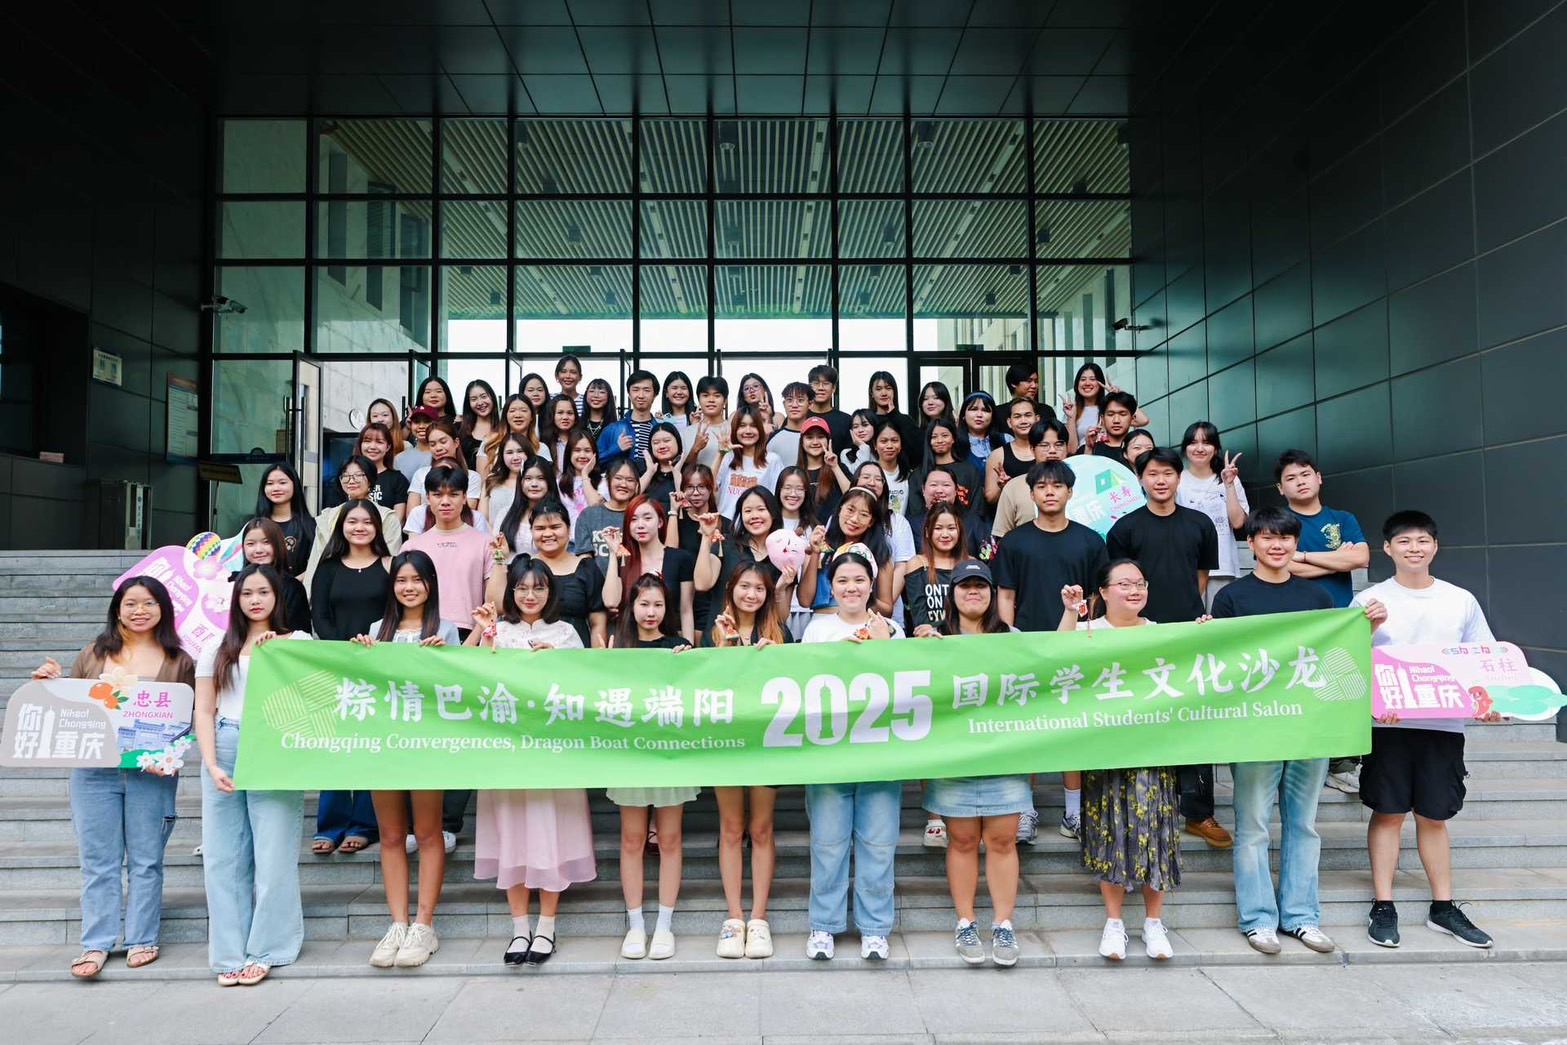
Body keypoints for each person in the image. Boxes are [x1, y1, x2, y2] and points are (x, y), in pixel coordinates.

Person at [1212, 507, 1386, 956]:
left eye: (1285, 538)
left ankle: (1301, 917)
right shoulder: (1231, 598)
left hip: (1310, 728)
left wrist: (1366, 630)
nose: (1277, 545)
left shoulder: (1316, 596)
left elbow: (1335, 657)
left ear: (1295, 544)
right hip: (1255, 729)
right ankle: (1257, 920)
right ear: (1251, 544)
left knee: (1304, 825)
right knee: (1253, 827)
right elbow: (1221, 665)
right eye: (1267, 537)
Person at [31, 576, 194, 979]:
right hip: (94, 772)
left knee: (146, 861)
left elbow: (187, 719)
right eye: (130, 603)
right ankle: (96, 943)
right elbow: (73, 708)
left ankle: (142, 938)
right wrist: (50, 685)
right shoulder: (94, 653)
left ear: (163, 609)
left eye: (149, 603)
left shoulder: (179, 660)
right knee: (98, 862)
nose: (140, 611)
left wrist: (167, 756)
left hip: (150, 775)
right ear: (117, 610)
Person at [1355, 511, 1499, 949]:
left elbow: (1483, 657)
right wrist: (1375, 702)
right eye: (1404, 541)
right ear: (1387, 548)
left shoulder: (1460, 600)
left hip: (1444, 724)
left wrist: (1489, 701)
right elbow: (1348, 660)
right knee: (1388, 811)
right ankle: (1383, 904)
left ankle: (1443, 906)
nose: (1413, 548)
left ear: (1435, 546)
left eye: (1422, 541)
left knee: (1434, 815)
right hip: (1389, 726)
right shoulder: (1370, 600)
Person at [468, 560, 595, 966]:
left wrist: (558, 662)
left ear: (550, 592)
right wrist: (484, 633)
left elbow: (586, 687)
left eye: (539, 588)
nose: (529, 595)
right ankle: (519, 927)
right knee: (512, 834)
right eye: (522, 588)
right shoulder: (500, 631)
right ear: (511, 592)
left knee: (549, 832)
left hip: (552, 752)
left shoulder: (566, 633)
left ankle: (547, 926)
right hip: (507, 751)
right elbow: (469, 678)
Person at [1058, 561, 1181, 961]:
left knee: (1156, 831)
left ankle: (1153, 923)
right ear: (1103, 592)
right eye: (1124, 584)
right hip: (1104, 751)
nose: (1134, 590)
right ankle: (1114, 923)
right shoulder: (1088, 631)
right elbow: (1056, 657)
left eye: (1140, 583)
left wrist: (1206, 631)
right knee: (1108, 831)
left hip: (1153, 750)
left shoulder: (1163, 633)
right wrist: (1070, 612)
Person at [195, 565, 311, 986]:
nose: (255, 600)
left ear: (278, 597)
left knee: (274, 852)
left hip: (273, 746)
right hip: (224, 743)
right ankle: (228, 953)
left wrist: (276, 655)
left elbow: (312, 697)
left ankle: (268, 948)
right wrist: (211, 763)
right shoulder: (215, 646)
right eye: (247, 593)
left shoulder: (298, 642)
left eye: (264, 592)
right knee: (223, 856)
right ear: (236, 599)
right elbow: (203, 709)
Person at [1106, 447, 1226, 848]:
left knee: (1195, 720)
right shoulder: (1125, 528)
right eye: (1153, 474)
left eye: (1168, 473)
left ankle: (1199, 812)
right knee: (1142, 719)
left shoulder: (1200, 523)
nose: (1160, 480)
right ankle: (1143, 806)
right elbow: (1120, 583)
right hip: (1138, 639)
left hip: (1188, 637)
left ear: (1179, 478)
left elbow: (1201, 578)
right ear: (1140, 479)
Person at [351, 550, 460, 968]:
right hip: (384, 744)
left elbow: (459, 688)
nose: (409, 587)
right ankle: (397, 924)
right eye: (401, 580)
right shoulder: (376, 631)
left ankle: (424, 925)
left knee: (429, 834)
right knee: (392, 836)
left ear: (430, 584)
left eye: (416, 580)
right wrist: (361, 654)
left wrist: (447, 659)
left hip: (427, 745)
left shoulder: (446, 630)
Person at [992, 460, 1107, 842]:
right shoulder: (1015, 541)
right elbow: (1005, 595)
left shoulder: (1090, 541)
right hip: (1026, 647)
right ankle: (1024, 809)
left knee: (1073, 729)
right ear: (1031, 494)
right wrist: (1009, 640)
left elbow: (1098, 597)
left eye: (1057, 486)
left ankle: (1073, 812)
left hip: (1075, 648)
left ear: (1070, 492)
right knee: (1026, 729)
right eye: (1041, 486)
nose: (1050, 492)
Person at [922, 558, 1027, 967]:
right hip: (955, 758)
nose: (973, 592)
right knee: (963, 841)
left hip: (1004, 755)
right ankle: (965, 921)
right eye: (964, 586)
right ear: (952, 594)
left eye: (980, 586)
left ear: (992, 593)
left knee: (1003, 841)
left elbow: (1049, 669)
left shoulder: (1013, 639)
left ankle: (1003, 924)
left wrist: (1071, 613)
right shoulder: (936, 638)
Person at [802, 547, 905, 961]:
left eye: (859, 580)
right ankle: (823, 926)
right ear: (832, 585)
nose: (851, 588)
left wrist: (884, 648)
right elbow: (802, 684)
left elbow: (907, 687)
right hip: (829, 754)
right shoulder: (817, 630)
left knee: (879, 844)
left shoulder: (890, 629)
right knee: (828, 843)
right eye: (842, 580)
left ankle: (875, 929)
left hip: (881, 752)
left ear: (871, 584)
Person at [607, 575, 697, 961]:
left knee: (670, 840)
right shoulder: (618, 647)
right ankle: (635, 925)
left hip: (668, 755)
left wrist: (688, 663)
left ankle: (664, 925)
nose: (651, 612)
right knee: (632, 840)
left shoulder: (679, 647)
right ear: (631, 607)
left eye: (658, 605)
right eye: (644, 604)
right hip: (630, 756)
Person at [1276, 448, 1371, 793]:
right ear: (1280, 488)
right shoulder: (1280, 521)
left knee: (1342, 690)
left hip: (1339, 618)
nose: (1300, 482)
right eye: (1291, 478)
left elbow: (1360, 558)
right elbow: (1283, 565)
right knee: (1300, 689)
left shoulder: (1342, 518)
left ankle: (1341, 764)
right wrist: (1334, 559)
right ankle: (1298, 760)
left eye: (1305, 474)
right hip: (1296, 618)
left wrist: (1303, 556)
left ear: (1318, 478)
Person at [707, 562, 786, 959]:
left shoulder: (779, 634)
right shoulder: (713, 630)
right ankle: (734, 918)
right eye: (744, 586)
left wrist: (775, 657)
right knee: (731, 827)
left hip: (767, 743)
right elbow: (706, 683)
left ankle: (758, 919)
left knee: (761, 828)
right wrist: (724, 647)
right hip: (726, 742)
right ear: (731, 589)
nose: (751, 594)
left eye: (759, 588)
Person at [309, 500, 393, 855]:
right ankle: (330, 825)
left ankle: (364, 825)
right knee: (337, 746)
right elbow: (319, 615)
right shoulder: (328, 568)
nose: (360, 527)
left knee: (372, 745)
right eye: (352, 521)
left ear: (378, 527)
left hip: (379, 668)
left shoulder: (389, 565)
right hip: (338, 667)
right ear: (340, 526)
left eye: (367, 522)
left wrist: (375, 648)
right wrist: (344, 651)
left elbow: (396, 612)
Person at [405, 465, 494, 638]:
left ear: (465, 497)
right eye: (438, 495)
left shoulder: (485, 543)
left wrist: (475, 636)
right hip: (420, 633)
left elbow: (492, 601)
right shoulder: (412, 547)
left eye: (453, 494)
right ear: (428, 498)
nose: (445, 501)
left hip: (469, 631)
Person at [603, 494, 696, 642]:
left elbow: (686, 610)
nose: (640, 525)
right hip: (630, 644)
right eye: (633, 520)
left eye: (647, 518)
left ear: (660, 522)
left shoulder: (680, 559)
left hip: (670, 644)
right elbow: (611, 602)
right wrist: (613, 553)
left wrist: (688, 645)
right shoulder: (623, 560)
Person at [1177, 422, 1249, 611]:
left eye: (1207, 443)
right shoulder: (1177, 480)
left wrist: (1229, 484)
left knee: (1220, 623)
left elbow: (1238, 522)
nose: (1200, 448)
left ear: (1215, 448)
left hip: (1222, 567)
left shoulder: (1229, 479)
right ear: (1185, 448)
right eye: (1193, 443)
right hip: (1187, 568)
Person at [300, 462, 403, 590]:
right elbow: (316, 560)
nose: (351, 481)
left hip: (375, 587)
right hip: (333, 587)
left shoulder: (387, 517)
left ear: (371, 479)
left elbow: (390, 558)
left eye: (358, 475)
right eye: (346, 476)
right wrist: (309, 593)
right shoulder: (328, 517)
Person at [529, 500, 608, 647]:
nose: (548, 533)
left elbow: (598, 623)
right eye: (540, 528)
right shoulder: (523, 567)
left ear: (569, 529)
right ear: (531, 531)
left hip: (574, 651)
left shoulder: (587, 568)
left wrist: (597, 657)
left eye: (555, 527)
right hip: (530, 651)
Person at [990, 420, 1070, 539]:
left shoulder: (1082, 482)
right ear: (1032, 449)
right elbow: (1002, 537)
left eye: (1059, 444)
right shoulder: (1013, 487)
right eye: (1044, 445)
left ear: (1067, 448)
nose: (1052, 450)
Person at [233, 518, 311, 632]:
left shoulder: (292, 588)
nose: (258, 550)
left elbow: (300, 634)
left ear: (278, 545)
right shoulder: (231, 581)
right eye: (251, 544)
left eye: (266, 542)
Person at [904, 502, 966, 637]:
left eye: (951, 528)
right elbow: (919, 616)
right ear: (927, 532)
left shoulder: (970, 564)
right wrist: (935, 631)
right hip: (929, 638)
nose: (945, 534)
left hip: (964, 638)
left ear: (959, 531)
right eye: (938, 528)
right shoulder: (916, 564)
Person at [715, 404, 782, 520]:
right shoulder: (727, 457)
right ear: (735, 429)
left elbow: (777, 498)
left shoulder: (773, 460)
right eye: (742, 426)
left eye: (753, 426)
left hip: (757, 522)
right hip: (726, 522)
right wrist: (720, 454)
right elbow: (709, 487)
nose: (748, 431)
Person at [575, 456, 640, 572]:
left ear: (636, 485)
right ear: (607, 480)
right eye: (618, 478)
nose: (623, 484)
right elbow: (585, 558)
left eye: (630, 480)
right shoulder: (589, 515)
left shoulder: (640, 516)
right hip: (596, 581)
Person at [908, 418, 980, 520]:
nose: (940, 440)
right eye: (934, 437)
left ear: (953, 438)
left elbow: (977, 509)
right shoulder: (918, 474)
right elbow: (915, 512)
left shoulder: (970, 471)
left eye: (945, 436)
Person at [252, 462, 315, 578]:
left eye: (282, 482)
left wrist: (291, 584)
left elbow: (316, 565)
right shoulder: (254, 525)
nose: (276, 488)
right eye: (270, 483)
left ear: (294, 485)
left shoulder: (310, 525)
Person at [1061, 362, 1146, 445]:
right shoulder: (1072, 411)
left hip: (1109, 453)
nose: (1087, 383)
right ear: (1077, 384)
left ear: (1100, 382)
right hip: (1083, 454)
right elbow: (1070, 449)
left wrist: (1120, 395)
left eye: (1092, 379)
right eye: (1083, 379)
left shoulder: (1109, 408)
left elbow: (1143, 420)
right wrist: (1071, 417)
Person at [408, 420, 483, 512]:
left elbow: (468, 512)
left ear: (456, 442)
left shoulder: (472, 477)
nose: (438, 448)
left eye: (443, 442)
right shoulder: (420, 474)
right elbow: (411, 513)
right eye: (432, 444)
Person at [983, 397, 1039, 506]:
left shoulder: (1048, 450)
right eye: (1017, 416)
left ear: (1037, 419)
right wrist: (1002, 487)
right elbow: (990, 498)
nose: (1023, 421)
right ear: (1009, 422)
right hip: (1012, 514)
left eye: (1028, 415)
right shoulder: (997, 455)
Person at [598, 370, 659, 463]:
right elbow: (594, 461)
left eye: (646, 390)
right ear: (629, 394)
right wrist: (616, 448)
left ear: (654, 395)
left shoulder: (660, 430)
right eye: (635, 390)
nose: (641, 395)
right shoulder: (612, 429)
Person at [354, 423, 410, 524]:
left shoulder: (398, 479)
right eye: (367, 441)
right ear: (360, 445)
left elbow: (398, 520)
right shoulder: (348, 477)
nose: (372, 447)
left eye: (379, 442)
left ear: (388, 447)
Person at [866, 370, 918, 471]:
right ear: (871, 393)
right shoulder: (867, 421)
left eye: (888, 388)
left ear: (894, 391)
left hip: (902, 473)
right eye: (878, 389)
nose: (884, 393)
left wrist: (895, 415)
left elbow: (916, 448)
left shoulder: (905, 420)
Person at [637, 421, 687, 512]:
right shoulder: (641, 469)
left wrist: (676, 474)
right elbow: (630, 499)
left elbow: (688, 505)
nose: (662, 446)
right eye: (656, 443)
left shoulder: (689, 470)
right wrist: (649, 472)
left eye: (667, 441)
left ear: (678, 441)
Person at [686, 374, 731, 471]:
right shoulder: (686, 433)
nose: (711, 400)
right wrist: (695, 449)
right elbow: (683, 471)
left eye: (717, 396)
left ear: (725, 400)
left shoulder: (736, 431)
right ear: (699, 400)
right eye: (705, 396)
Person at [807, 363, 853, 453]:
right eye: (816, 383)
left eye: (826, 383)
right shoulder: (800, 417)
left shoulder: (846, 420)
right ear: (809, 387)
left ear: (834, 388)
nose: (820, 388)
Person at [870, 419, 910, 518]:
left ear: (901, 444)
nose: (889, 446)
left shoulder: (909, 475)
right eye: (883, 441)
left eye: (894, 440)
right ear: (875, 445)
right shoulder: (868, 474)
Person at [766, 381, 812, 467]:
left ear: (810, 404)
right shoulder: (773, 438)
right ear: (784, 404)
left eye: (800, 400)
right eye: (789, 400)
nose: (794, 405)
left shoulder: (817, 438)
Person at [1086, 391, 1137, 461]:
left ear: (1132, 418)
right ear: (1102, 419)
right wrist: (1089, 449)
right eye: (1110, 414)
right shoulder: (1088, 448)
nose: (1116, 420)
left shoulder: (1140, 450)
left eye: (1122, 414)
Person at [459, 379, 500, 466]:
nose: (480, 403)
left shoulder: (504, 428)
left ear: (492, 397)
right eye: (474, 399)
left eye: (484, 396)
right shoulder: (459, 429)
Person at [958, 391, 1002, 472]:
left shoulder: (1006, 439)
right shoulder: (953, 443)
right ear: (963, 414)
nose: (979, 415)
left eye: (985, 410)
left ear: (993, 416)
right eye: (973, 409)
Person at [393, 406, 438, 482]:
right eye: (416, 422)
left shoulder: (442, 454)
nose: (421, 426)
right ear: (411, 426)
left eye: (427, 421)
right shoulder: (399, 458)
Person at [540, 394, 580, 465]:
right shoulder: (544, 443)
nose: (565, 417)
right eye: (560, 412)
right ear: (552, 415)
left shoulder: (582, 440)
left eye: (570, 413)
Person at [581, 378, 617, 443]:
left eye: (602, 392)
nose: (596, 395)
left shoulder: (615, 427)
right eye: (592, 391)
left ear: (609, 396)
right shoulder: (577, 424)